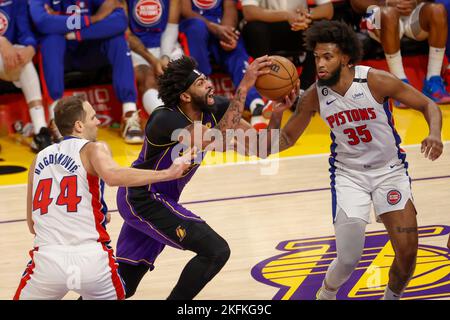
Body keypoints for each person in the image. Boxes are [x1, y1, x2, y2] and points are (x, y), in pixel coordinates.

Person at [248, 20, 443, 300]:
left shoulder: (375, 80)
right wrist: (277, 113)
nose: (320, 64)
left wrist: (434, 133)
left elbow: (428, 104)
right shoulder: (314, 95)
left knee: (408, 253)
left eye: (328, 56)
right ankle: (326, 295)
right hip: (349, 177)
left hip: (389, 172)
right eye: (317, 57)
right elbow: (280, 142)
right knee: (349, 259)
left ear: (346, 57)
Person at [114, 55, 294, 300]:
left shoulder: (215, 108)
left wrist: (277, 114)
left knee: (124, 284)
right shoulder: (165, 118)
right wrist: (244, 85)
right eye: (200, 83)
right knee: (216, 251)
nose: (209, 84)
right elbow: (215, 139)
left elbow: (263, 148)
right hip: (142, 198)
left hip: (163, 200)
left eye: (206, 79)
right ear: (185, 96)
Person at [13, 96, 194, 300]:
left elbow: (32, 225)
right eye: (94, 117)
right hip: (91, 260)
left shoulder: (37, 160)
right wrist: (168, 173)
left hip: (47, 263)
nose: (98, 122)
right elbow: (113, 176)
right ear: (79, 125)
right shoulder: (93, 148)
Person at [29, 0, 145, 144]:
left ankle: (129, 113)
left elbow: (119, 21)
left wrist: (72, 31)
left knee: (118, 40)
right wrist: (94, 19)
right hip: (63, 53)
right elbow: (43, 22)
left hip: (90, 49)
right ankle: (56, 117)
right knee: (51, 40)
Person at [179, 0, 272, 129]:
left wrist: (227, 32)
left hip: (219, 26)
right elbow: (185, 11)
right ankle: (205, 102)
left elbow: (230, 8)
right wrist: (214, 28)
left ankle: (256, 105)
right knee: (197, 28)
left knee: (236, 53)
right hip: (194, 26)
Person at [351, 0, 450, 106]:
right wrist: (387, 3)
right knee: (389, 13)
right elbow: (356, 4)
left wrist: (414, 2)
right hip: (377, 11)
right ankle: (399, 86)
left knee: (437, 10)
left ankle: (433, 81)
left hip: (412, 12)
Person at [241, 0, 334, 94]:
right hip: (268, 28)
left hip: (299, 25)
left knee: (321, 27)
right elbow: (249, 12)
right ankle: (265, 85)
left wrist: (306, 14)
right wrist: (287, 15)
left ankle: (305, 88)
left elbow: (328, 9)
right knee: (254, 28)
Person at [0, 0, 52, 152]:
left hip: (7, 59)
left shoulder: (17, 2)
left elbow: (25, 31)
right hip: (4, 51)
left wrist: (30, 48)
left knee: (24, 61)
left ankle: (40, 131)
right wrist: (1, 41)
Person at [124, 0, 184, 117]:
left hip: (167, 45)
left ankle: (202, 119)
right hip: (138, 50)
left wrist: (165, 57)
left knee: (184, 78)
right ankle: (167, 123)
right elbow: (127, 34)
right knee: (147, 79)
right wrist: (153, 60)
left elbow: (172, 26)